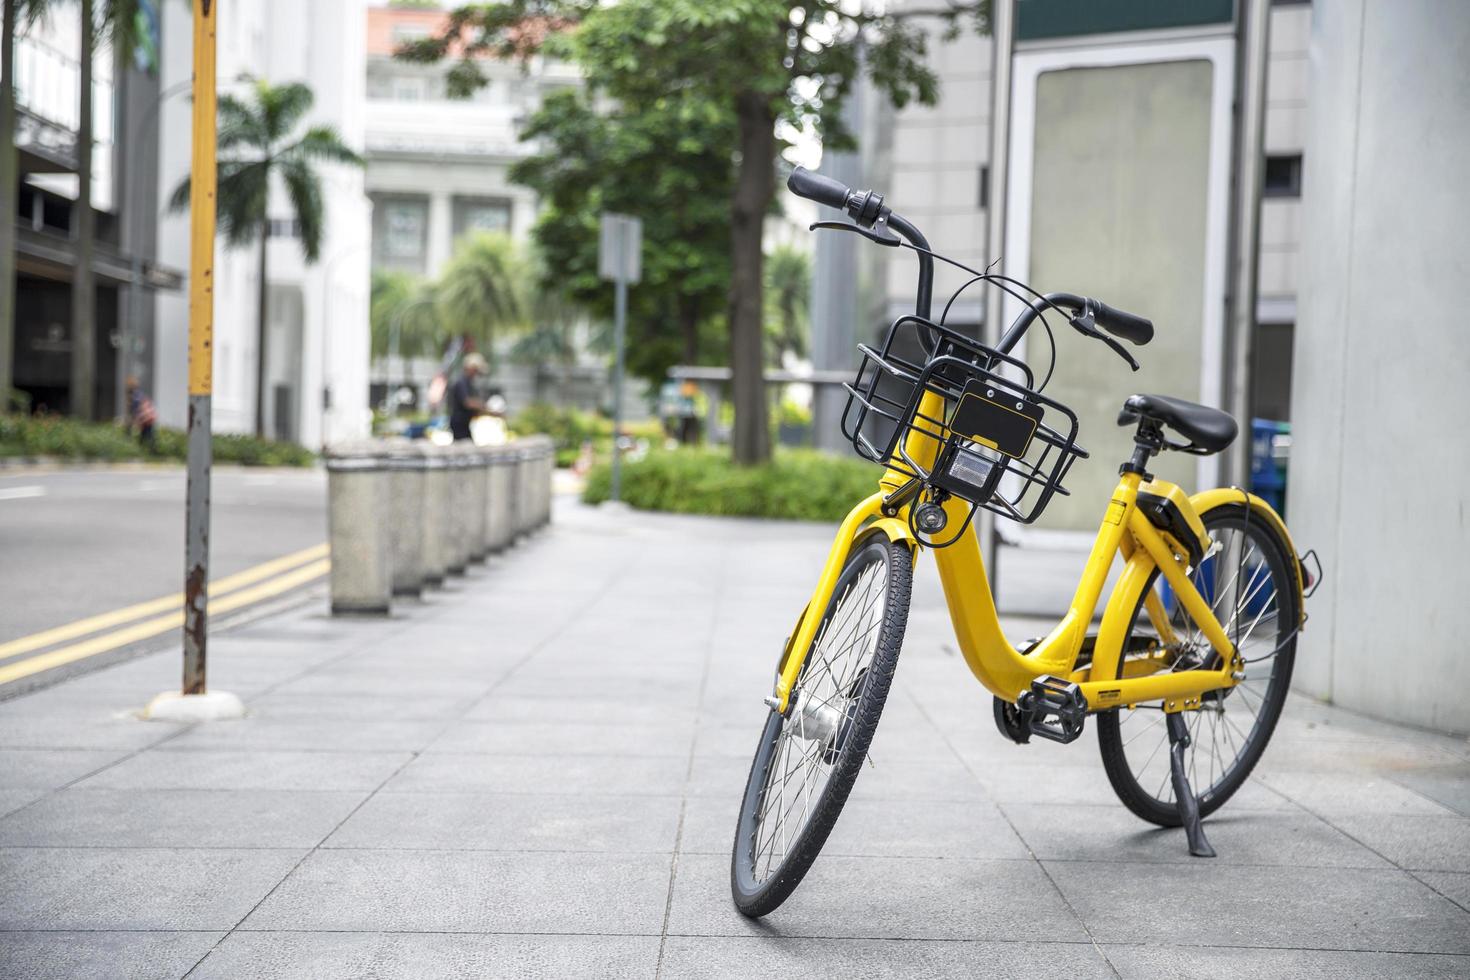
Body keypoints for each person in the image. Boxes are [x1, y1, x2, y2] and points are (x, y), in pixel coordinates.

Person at [447, 353, 489, 442]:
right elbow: (467, 402)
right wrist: (483, 406)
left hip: (465, 423)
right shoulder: (461, 383)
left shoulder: (469, 383)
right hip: (459, 424)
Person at [125, 376, 157, 451]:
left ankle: (152, 450)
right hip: (148, 417)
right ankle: (146, 449)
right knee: (146, 434)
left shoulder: (134, 395)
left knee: (148, 434)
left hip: (144, 418)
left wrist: (133, 420)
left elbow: (135, 409)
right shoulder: (140, 393)